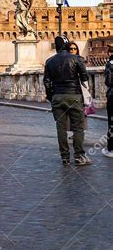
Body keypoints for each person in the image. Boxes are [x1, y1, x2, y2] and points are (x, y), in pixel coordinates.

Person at [43, 36, 91, 165]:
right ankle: (79, 156)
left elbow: (47, 82)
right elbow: (84, 78)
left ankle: (64, 157)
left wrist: (51, 97)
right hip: (74, 96)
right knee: (78, 128)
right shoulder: (77, 59)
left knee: (61, 128)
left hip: (57, 96)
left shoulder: (49, 61)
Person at [103, 45, 113, 158]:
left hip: (112, 96)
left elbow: (109, 81)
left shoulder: (110, 64)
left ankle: (111, 148)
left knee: (111, 123)